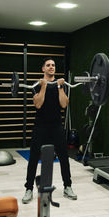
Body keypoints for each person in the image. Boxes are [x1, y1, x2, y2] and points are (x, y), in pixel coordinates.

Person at [22, 57, 77, 204]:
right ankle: (28, 189)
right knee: (33, 158)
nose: (51, 67)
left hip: (56, 126)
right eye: (48, 65)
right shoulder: (37, 85)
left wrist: (59, 87)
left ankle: (68, 186)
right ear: (43, 69)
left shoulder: (61, 85)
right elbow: (38, 104)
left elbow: (64, 104)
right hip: (40, 126)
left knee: (64, 158)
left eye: (53, 65)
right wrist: (44, 86)